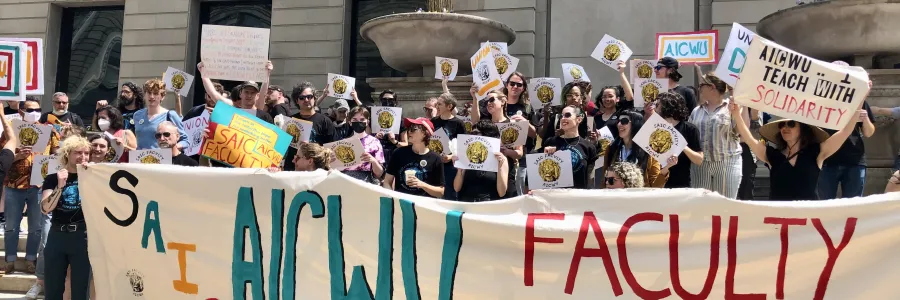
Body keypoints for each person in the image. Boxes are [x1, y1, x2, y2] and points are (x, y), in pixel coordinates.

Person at [730, 101, 861, 200]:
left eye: (791, 124)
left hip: (808, 220)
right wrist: (736, 114)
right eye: (782, 125)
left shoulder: (816, 152)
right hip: (778, 220)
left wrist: (860, 101)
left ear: (802, 129)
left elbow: (845, 132)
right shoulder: (772, 155)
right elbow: (748, 138)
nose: (785, 128)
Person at [3, 97, 59, 274]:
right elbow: (2, 156)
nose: (34, 113)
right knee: (11, 225)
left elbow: (58, 154)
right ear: (20, 111)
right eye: (29, 110)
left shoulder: (48, 131)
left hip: (38, 185)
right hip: (13, 184)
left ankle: (30, 259)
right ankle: (10, 260)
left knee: (36, 227)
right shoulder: (10, 131)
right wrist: (17, 156)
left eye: (37, 109)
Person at [39, 136, 91, 300]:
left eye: (86, 153)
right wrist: (60, 187)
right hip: (57, 236)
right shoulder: (53, 178)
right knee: (53, 289)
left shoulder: (92, 177)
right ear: (67, 154)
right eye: (78, 153)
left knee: (80, 290)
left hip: (81, 237)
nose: (83, 157)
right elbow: (45, 208)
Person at [817, 69, 875, 198]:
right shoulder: (819, 102)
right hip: (826, 160)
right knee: (824, 206)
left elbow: (869, 133)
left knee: (853, 206)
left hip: (854, 160)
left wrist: (865, 119)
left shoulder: (859, 102)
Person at [688, 75, 742, 198]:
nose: (699, 88)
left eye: (701, 85)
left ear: (712, 87)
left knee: (725, 205)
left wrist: (738, 110)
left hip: (726, 162)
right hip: (701, 164)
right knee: (701, 205)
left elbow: (740, 131)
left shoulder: (731, 108)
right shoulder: (697, 111)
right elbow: (690, 136)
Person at [603, 110, 669, 188]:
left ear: (635, 124)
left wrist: (666, 168)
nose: (619, 124)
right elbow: (605, 179)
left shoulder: (649, 151)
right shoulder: (612, 148)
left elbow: (655, 186)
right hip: (616, 197)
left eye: (624, 121)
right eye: (618, 121)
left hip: (639, 197)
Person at [538, 105, 598, 189]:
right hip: (555, 196)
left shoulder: (588, 147)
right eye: (561, 116)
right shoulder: (550, 142)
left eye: (567, 115)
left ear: (579, 119)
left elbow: (590, 178)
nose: (563, 118)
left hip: (577, 197)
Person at [651, 92, 702, 189]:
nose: (654, 108)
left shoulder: (690, 129)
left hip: (681, 184)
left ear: (667, 106)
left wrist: (681, 145)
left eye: (657, 105)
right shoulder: (653, 128)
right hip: (656, 182)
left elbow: (699, 160)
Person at [383, 118, 444, 198]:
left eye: (413, 129)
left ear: (425, 133)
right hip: (401, 204)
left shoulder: (436, 158)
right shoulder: (399, 153)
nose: (409, 132)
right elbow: (387, 181)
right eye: (408, 129)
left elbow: (441, 192)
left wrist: (422, 185)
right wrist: (393, 197)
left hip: (423, 206)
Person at [284, 82, 336, 170]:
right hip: (292, 169)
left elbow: (332, 148)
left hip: (317, 171)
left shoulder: (325, 121)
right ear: (297, 101)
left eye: (309, 96)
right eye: (302, 98)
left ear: (314, 98)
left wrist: (313, 148)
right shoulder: (290, 121)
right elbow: (282, 147)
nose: (306, 100)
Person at [453, 120, 509, 201]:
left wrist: (500, 167)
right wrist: (459, 170)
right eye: (471, 133)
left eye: (475, 133)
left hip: (487, 206)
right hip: (467, 203)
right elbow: (456, 188)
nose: (472, 136)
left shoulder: (501, 159)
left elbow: (502, 192)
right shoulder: (466, 155)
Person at [482, 90, 523, 197]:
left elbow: (519, 153)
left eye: (491, 100)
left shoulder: (513, 124)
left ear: (503, 101)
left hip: (507, 170)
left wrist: (506, 151)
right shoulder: (483, 124)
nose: (488, 103)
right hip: (486, 172)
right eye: (486, 101)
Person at [427, 93, 466, 199]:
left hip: (450, 167)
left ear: (449, 106)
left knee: (449, 195)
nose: (437, 107)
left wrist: (450, 157)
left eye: (439, 104)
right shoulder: (433, 121)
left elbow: (462, 146)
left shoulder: (458, 123)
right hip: (434, 163)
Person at [132, 79, 189, 150]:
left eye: (155, 93)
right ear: (144, 95)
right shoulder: (137, 115)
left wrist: (173, 148)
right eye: (149, 93)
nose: (152, 96)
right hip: (140, 158)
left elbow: (185, 141)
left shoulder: (170, 115)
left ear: (162, 96)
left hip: (162, 159)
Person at [341, 107, 385, 184]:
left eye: (362, 119)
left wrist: (373, 161)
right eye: (355, 120)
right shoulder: (343, 143)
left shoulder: (375, 142)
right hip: (346, 182)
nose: (358, 122)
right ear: (350, 122)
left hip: (367, 182)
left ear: (367, 122)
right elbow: (336, 169)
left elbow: (379, 173)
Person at [375, 90, 402, 164]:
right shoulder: (373, 118)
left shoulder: (401, 120)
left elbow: (406, 144)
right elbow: (365, 140)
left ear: (395, 102)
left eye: (390, 100)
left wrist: (394, 141)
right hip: (377, 155)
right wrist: (375, 138)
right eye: (384, 99)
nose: (387, 102)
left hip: (394, 156)